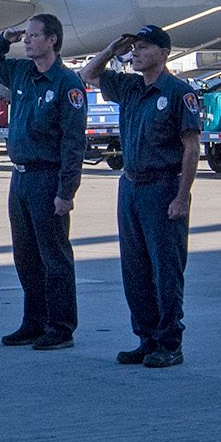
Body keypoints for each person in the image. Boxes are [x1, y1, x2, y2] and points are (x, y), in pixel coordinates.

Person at [84, 25, 201, 368]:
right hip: (131, 185)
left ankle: (169, 342)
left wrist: (182, 196)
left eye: (144, 47)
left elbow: (191, 147)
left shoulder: (178, 93)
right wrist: (111, 49)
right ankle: (146, 338)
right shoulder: (130, 86)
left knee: (165, 270)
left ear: (163, 54)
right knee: (134, 269)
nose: (136, 52)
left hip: (162, 186)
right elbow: (89, 74)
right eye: (134, 47)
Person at [0, 15, 88, 350]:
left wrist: (66, 191)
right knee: (25, 255)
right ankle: (34, 320)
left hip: (47, 176)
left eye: (33, 35)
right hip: (21, 176)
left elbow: (74, 143)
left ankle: (61, 326)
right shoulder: (21, 72)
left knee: (53, 255)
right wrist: (4, 38)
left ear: (52, 40)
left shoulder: (67, 84)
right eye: (25, 35)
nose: (26, 40)